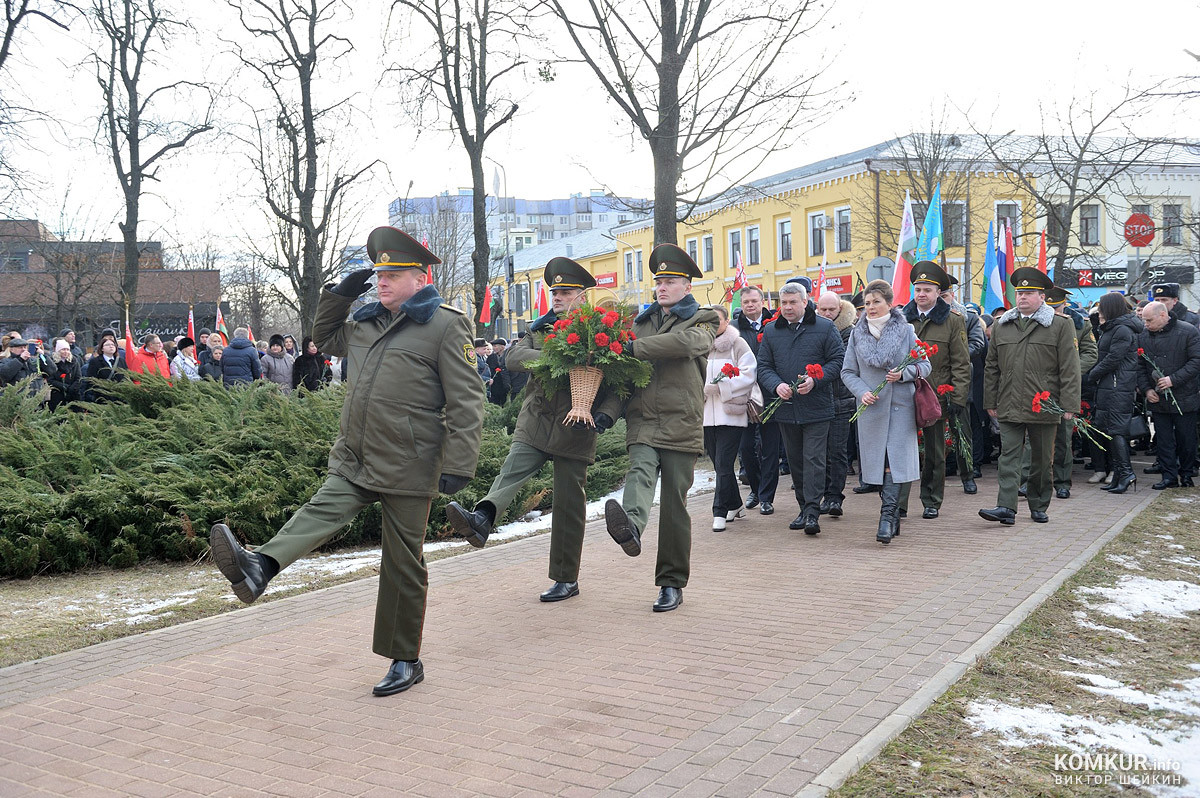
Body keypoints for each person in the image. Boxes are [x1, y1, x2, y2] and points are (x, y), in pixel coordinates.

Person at [209, 226, 484, 697]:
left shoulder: (445, 324)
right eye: (378, 274)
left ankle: (404, 659)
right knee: (320, 510)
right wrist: (339, 295)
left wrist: (459, 462)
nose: (381, 282)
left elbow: (468, 398)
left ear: (420, 278)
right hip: (356, 454)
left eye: (392, 274)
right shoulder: (366, 323)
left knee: (403, 563)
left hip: (410, 462)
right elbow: (323, 338)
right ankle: (261, 568)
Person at [445, 257, 621, 602]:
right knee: (511, 470)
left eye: (566, 292)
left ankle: (565, 578)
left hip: (578, 424)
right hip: (537, 420)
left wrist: (606, 415)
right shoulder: (540, 329)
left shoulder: (604, 332)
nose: (557, 297)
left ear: (582, 297)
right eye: (554, 291)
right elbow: (512, 358)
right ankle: (482, 519)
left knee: (569, 506)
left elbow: (618, 385)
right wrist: (553, 360)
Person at [603, 243, 718, 613]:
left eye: (670, 281)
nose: (662, 287)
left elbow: (687, 344)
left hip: (682, 422)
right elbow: (625, 377)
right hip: (643, 419)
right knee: (638, 471)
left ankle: (671, 582)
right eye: (658, 281)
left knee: (673, 507)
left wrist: (637, 348)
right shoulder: (640, 323)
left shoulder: (703, 319)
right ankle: (631, 527)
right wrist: (606, 413)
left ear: (687, 286)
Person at [980, 268, 1081, 525]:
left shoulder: (1060, 325)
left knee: (1040, 459)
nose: (1022, 297)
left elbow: (1069, 368)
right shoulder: (1003, 326)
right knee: (1008, 457)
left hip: (1044, 404)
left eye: (1028, 293)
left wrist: (1069, 404)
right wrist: (990, 400)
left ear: (1042, 297)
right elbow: (992, 367)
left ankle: (1038, 504)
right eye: (1020, 293)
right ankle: (1006, 507)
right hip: (1010, 401)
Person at [841, 280, 930, 544]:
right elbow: (847, 372)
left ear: (889, 304)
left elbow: (925, 365)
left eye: (876, 302)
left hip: (901, 408)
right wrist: (861, 391)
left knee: (894, 464)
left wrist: (904, 373)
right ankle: (891, 518)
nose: (870, 307)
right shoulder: (857, 334)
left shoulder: (906, 331)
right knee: (879, 467)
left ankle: (887, 517)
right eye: (867, 303)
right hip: (872, 408)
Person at [757, 282, 845, 534]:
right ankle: (803, 507)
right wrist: (776, 386)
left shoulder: (825, 327)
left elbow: (838, 361)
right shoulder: (772, 331)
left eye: (793, 302)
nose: (787, 307)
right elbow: (763, 366)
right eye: (783, 303)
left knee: (814, 459)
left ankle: (812, 513)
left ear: (805, 302)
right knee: (796, 461)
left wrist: (816, 380)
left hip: (817, 407)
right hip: (786, 408)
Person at [898, 262, 971, 520]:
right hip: (903, 394)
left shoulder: (952, 321)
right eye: (918, 289)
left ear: (938, 293)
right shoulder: (900, 318)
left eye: (927, 290)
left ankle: (931, 500)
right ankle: (899, 502)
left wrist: (958, 397)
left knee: (934, 453)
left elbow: (961, 363)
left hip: (936, 396)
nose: (921, 294)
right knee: (902, 451)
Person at [703, 304, 757, 531]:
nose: (713, 326)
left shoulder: (737, 343)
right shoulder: (699, 345)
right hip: (706, 414)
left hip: (731, 413)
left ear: (726, 322)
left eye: (717, 321)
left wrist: (722, 386)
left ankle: (720, 511)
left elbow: (748, 374)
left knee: (725, 463)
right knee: (718, 464)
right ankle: (735, 503)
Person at [1138, 300, 1200, 488]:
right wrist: (1147, 390)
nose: (1146, 324)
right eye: (1144, 321)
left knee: (1186, 439)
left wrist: (1173, 379)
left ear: (1163, 315)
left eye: (1149, 320)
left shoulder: (1188, 331)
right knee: (1164, 440)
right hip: (1158, 398)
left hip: (1185, 396)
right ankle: (1168, 476)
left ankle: (1187, 474)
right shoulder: (1144, 336)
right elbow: (1140, 366)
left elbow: (1196, 361)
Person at [1042, 287, 1098, 498]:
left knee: (1063, 437)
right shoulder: (1037, 323)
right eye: (1050, 308)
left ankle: (1062, 482)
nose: (1054, 312)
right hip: (1041, 385)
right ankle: (1029, 480)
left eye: (1056, 308)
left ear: (1064, 304)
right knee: (1034, 438)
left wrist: (1070, 371)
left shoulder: (1080, 325)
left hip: (1066, 386)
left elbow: (1091, 354)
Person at [1086, 292, 1141, 494]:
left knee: (1117, 430)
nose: (1099, 312)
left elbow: (1113, 358)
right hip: (1111, 386)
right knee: (1110, 430)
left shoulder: (1122, 330)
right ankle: (1118, 474)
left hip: (1118, 387)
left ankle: (1126, 473)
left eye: (1102, 308)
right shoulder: (1113, 328)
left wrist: (1092, 374)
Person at [734, 285, 782, 515]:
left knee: (770, 447)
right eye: (746, 302)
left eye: (754, 301)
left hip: (771, 392)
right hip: (744, 395)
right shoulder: (734, 329)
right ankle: (754, 488)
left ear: (762, 301)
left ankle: (766, 496)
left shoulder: (774, 325)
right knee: (745, 448)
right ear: (741, 305)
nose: (750, 305)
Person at [816, 293, 857, 516]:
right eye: (823, 310)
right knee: (818, 452)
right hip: (818, 399)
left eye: (832, 310)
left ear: (840, 309)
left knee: (837, 451)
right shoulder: (813, 329)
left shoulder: (848, 332)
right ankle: (822, 494)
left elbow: (840, 361)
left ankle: (835, 497)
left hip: (841, 398)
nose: (828, 314)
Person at [44, 339, 83, 410]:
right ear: (58, 350)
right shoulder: (52, 362)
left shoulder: (74, 361)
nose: (66, 352)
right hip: (58, 395)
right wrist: (65, 387)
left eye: (67, 349)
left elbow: (78, 378)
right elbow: (51, 380)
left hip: (73, 394)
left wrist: (72, 388)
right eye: (63, 349)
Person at [85, 337, 125, 401]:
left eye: (113, 345)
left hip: (120, 398)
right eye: (107, 345)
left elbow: (126, 378)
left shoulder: (121, 361)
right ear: (102, 348)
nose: (111, 346)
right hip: (103, 398)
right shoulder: (95, 362)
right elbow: (91, 380)